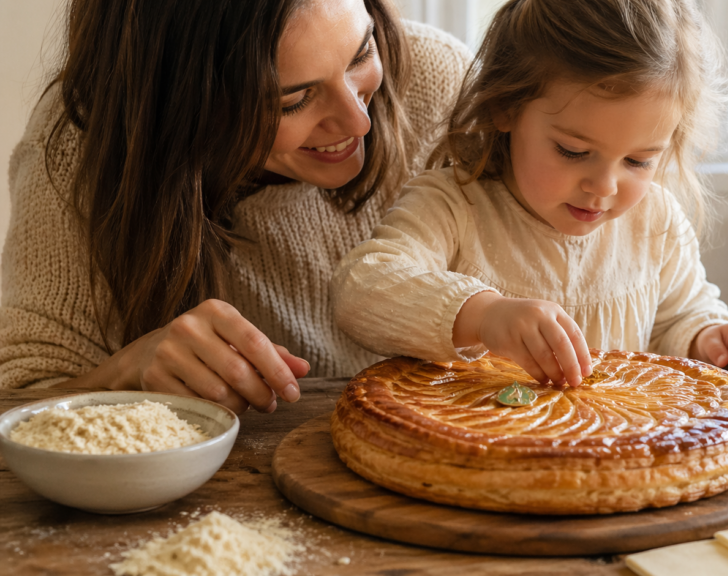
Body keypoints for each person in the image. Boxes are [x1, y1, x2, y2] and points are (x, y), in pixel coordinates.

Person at [1, 0, 471, 413]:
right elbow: (20, 397)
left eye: (362, 53)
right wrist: (127, 371)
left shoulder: (446, 85)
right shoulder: (78, 153)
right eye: (294, 100)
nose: (358, 119)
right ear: (182, 104)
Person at [332, 0, 728, 387]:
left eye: (638, 161)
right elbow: (359, 290)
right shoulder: (452, 206)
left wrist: (711, 338)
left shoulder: (655, 222)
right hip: (471, 456)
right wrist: (484, 316)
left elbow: (679, 317)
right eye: (573, 151)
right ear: (505, 105)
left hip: (614, 461)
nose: (604, 186)